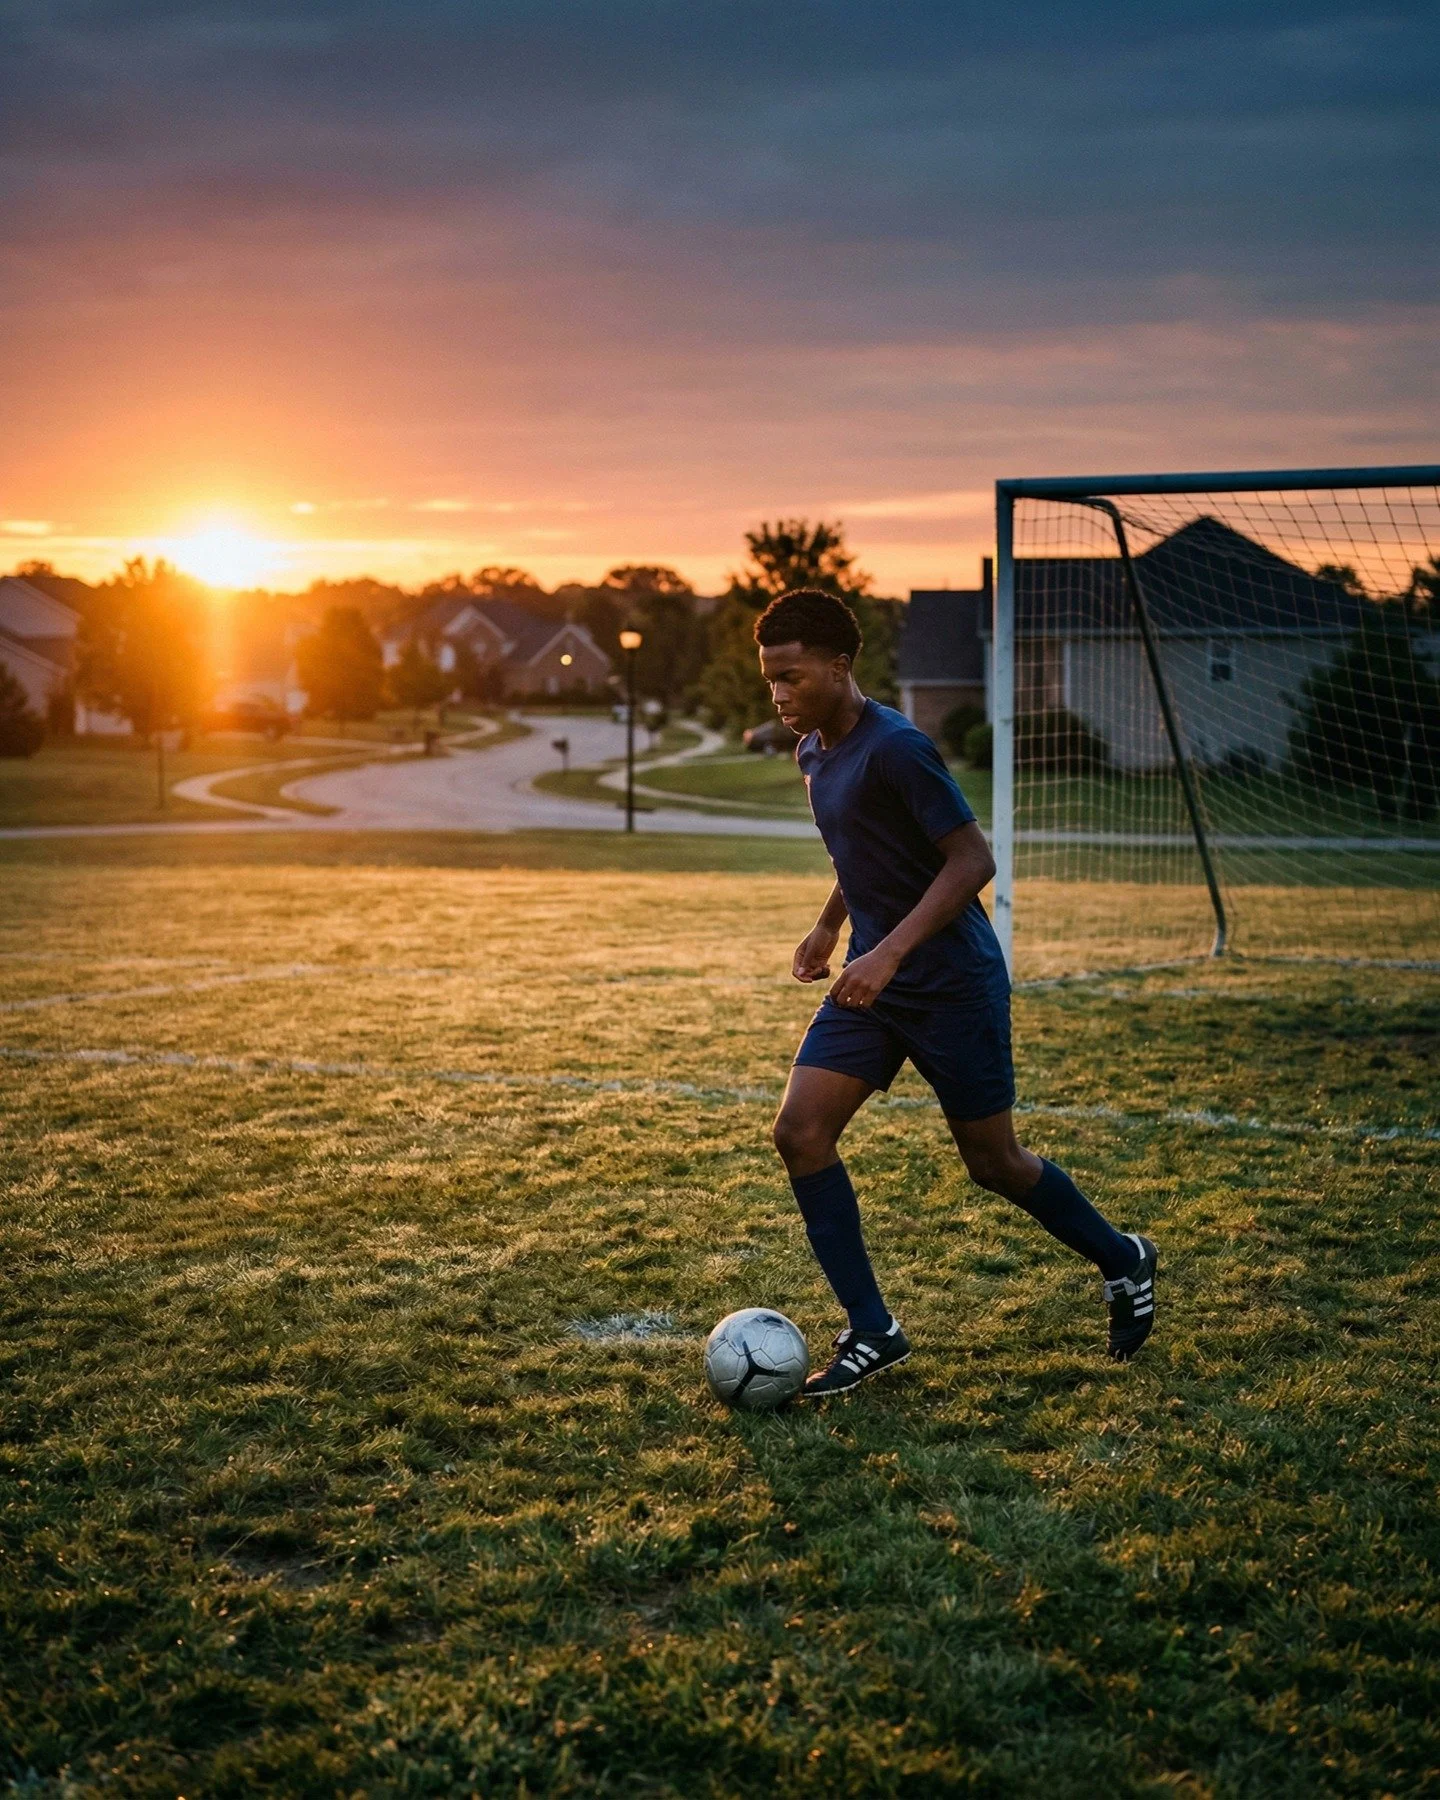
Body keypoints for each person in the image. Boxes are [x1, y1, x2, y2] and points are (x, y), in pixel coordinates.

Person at [757, 588, 1157, 1397]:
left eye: (793, 677)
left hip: (949, 984)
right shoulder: (813, 754)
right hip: (878, 979)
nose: (779, 695)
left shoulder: (897, 748)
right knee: (800, 1133)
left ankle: (1122, 1258)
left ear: (841, 668)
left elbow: (972, 861)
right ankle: (874, 1330)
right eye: (769, 680)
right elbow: (862, 851)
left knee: (994, 1162)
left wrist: (890, 955)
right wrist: (831, 926)